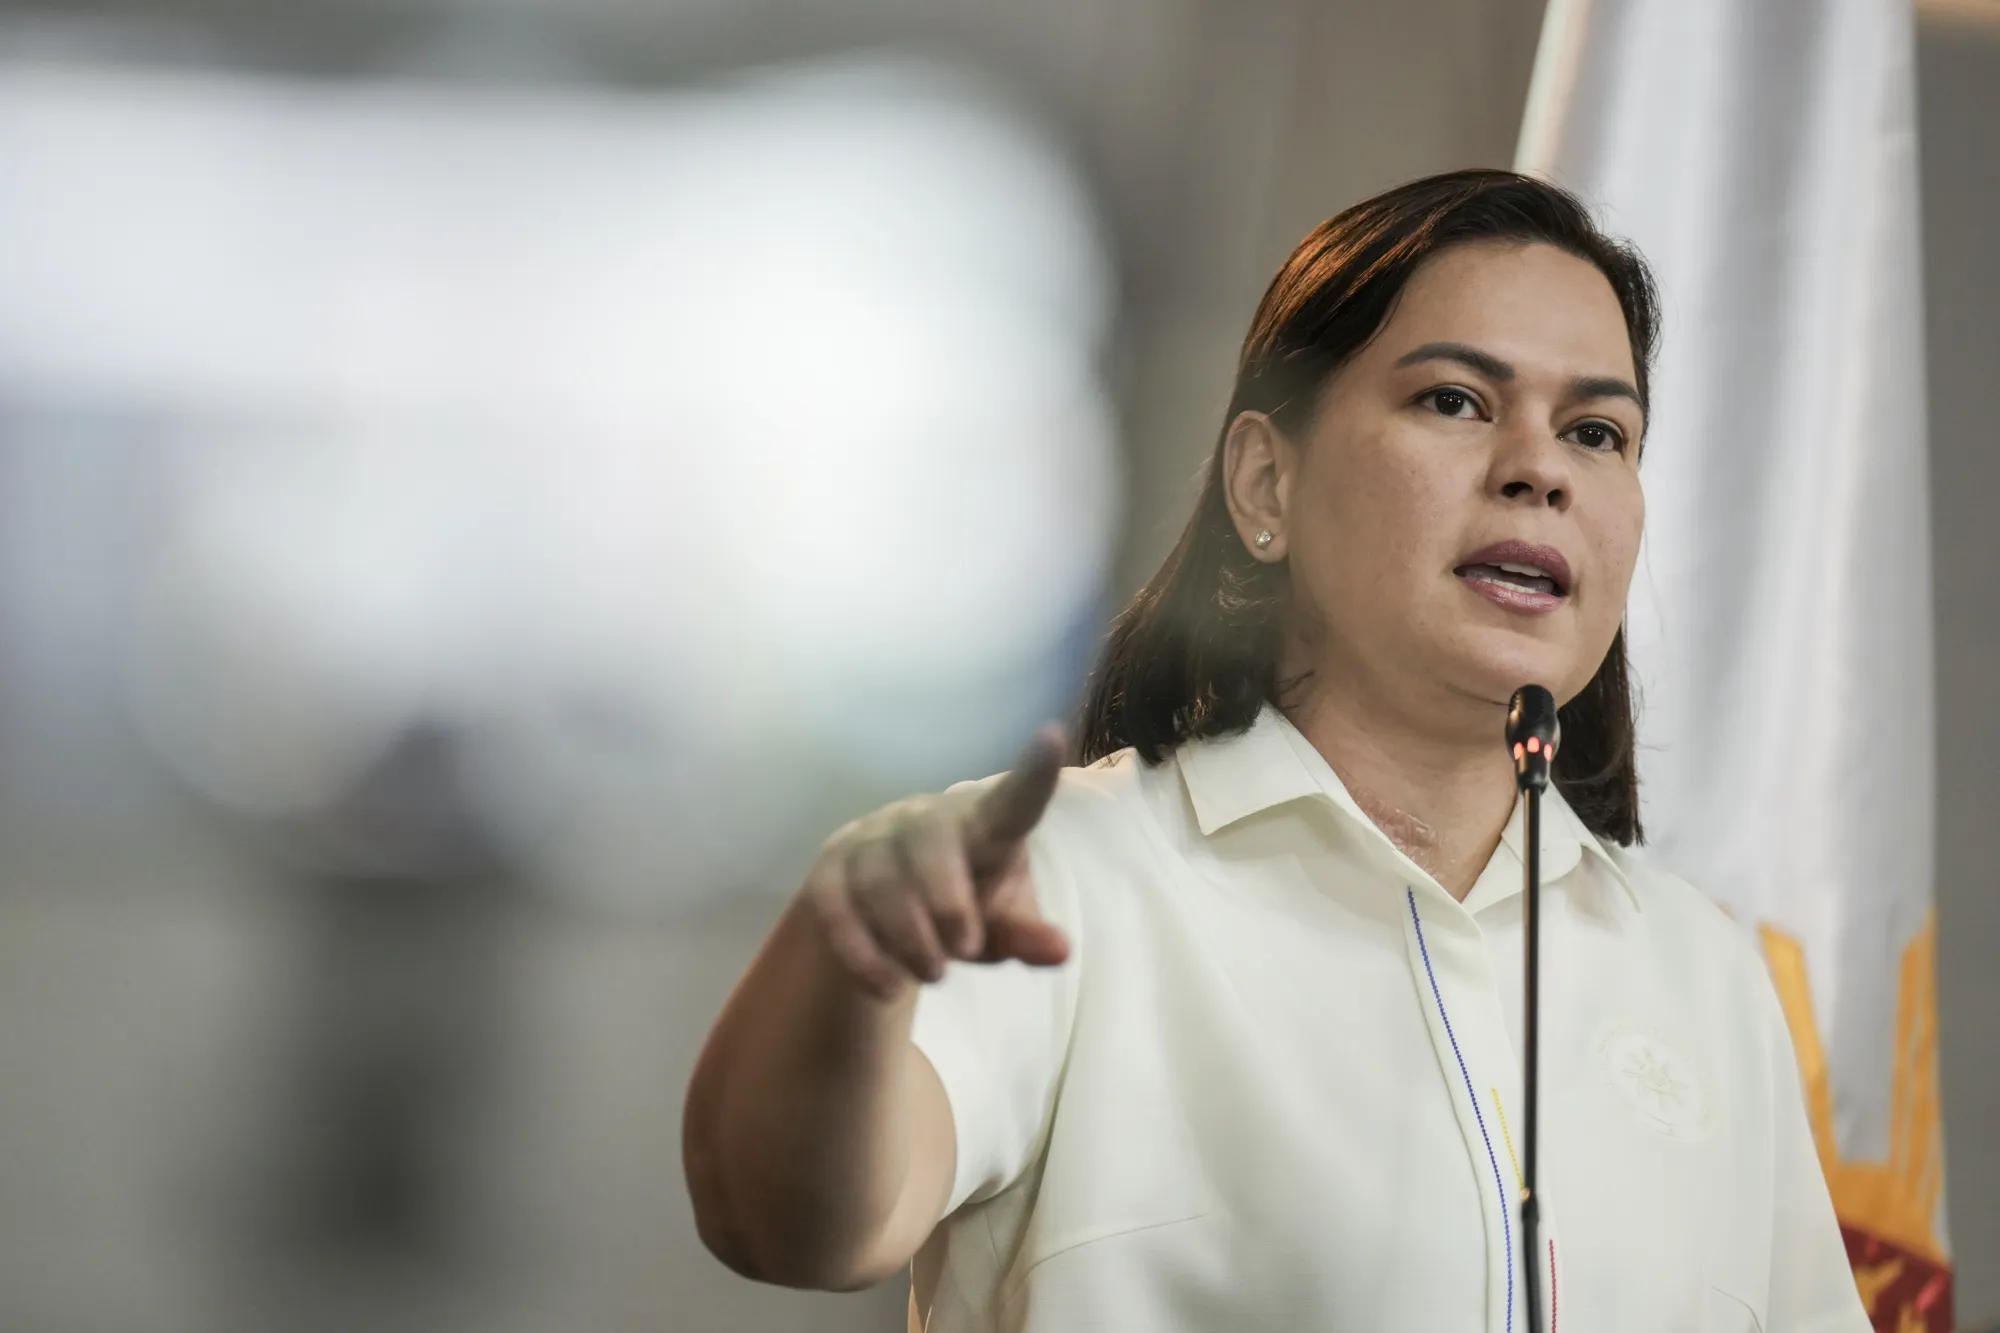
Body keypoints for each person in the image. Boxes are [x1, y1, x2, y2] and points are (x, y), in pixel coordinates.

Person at [681, 169, 1870, 1332]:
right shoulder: (1062, 878)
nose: (1538, 468)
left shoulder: (1699, 971)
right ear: (1265, 481)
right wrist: (845, 968)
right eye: (1454, 401)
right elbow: (793, 1224)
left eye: (1595, 431)